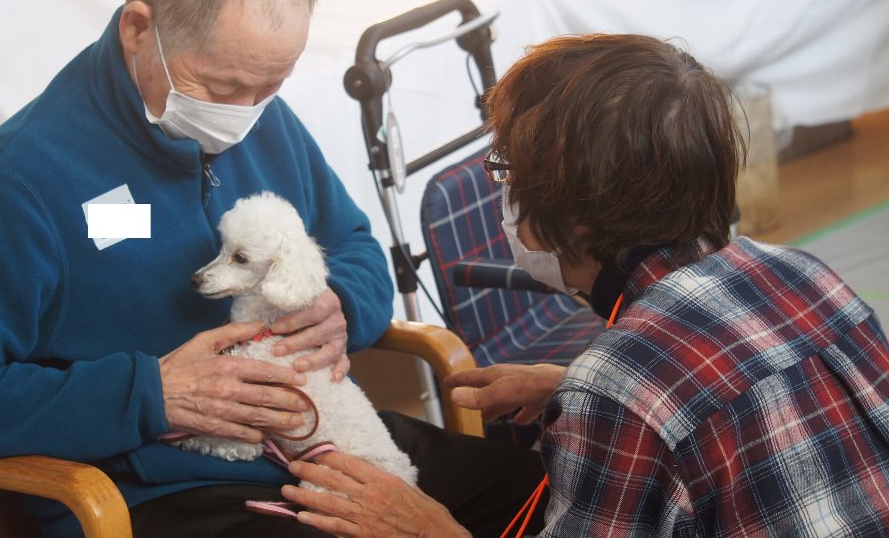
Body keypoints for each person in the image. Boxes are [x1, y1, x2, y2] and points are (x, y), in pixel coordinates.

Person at [0, 0, 547, 538]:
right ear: (139, 30)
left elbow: (352, 242)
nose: (247, 114)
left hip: (316, 438)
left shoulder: (261, 114)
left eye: (272, 85)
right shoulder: (20, 183)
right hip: (155, 488)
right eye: (224, 87)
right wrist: (149, 392)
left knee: (544, 493)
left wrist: (343, 305)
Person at [279, 34, 889, 536]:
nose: (504, 192)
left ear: (576, 214)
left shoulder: (617, 384)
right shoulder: (804, 274)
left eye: (506, 169)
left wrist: (430, 531)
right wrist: (577, 389)